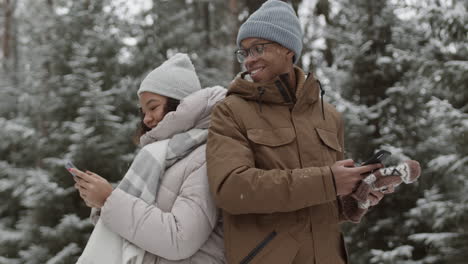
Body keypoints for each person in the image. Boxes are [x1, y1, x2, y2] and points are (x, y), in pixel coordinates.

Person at [206, 1, 385, 263]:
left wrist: (352, 200)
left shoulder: (329, 116)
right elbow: (231, 190)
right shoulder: (230, 111)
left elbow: (321, 201)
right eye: (244, 52)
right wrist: (328, 182)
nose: (250, 59)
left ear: (288, 49)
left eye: (258, 48)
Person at [72, 53, 226, 264]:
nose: (146, 118)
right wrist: (102, 201)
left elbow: (180, 239)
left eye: (153, 107)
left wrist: (109, 200)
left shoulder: (205, 154)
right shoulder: (166, 155)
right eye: (142, 111)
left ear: (180, 103)